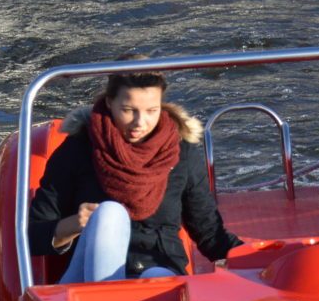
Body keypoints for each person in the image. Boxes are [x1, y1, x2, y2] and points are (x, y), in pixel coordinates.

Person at [27, 61, 241, 282]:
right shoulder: (79, 148)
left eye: (151, 111)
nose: (140, 123)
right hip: (89, 282)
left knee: (158, 276)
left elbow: (210, 235)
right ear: (110, 102)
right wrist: (75, 224)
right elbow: (31, 236)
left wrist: (266, 260)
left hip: (161, 270)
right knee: (110, 212)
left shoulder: (181, 151)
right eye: (128, 110)